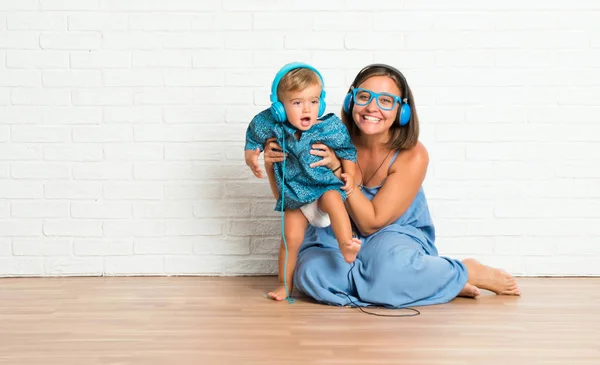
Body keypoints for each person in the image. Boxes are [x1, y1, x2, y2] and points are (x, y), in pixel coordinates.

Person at [261, 63, 521, 308]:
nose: (372, 107)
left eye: (385, 101)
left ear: (402, 111)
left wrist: (338, 170)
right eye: (364, 97)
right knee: (312, 273)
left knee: (388, 269)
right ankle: (430, 283)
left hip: (392, 234)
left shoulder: (413, 154)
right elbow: (289, 200)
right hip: (339, 237)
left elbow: (371, 223)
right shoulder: (329, 139)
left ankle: (462, 271)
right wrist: (273, 165)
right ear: (352, 100)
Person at [244, 62, 361, 301]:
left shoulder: (329, 127)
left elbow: (347, 150)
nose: (307, 108)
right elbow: (253, 135)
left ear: (322, 102)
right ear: (279, 107)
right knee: (290, 239)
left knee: (334, 200)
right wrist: (251, 156)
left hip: (322, 187)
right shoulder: (272, 124)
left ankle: (346, 244)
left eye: (314, 101)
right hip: (294, 195)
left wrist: (347, 172)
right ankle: (284, 285)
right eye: (297, 103)